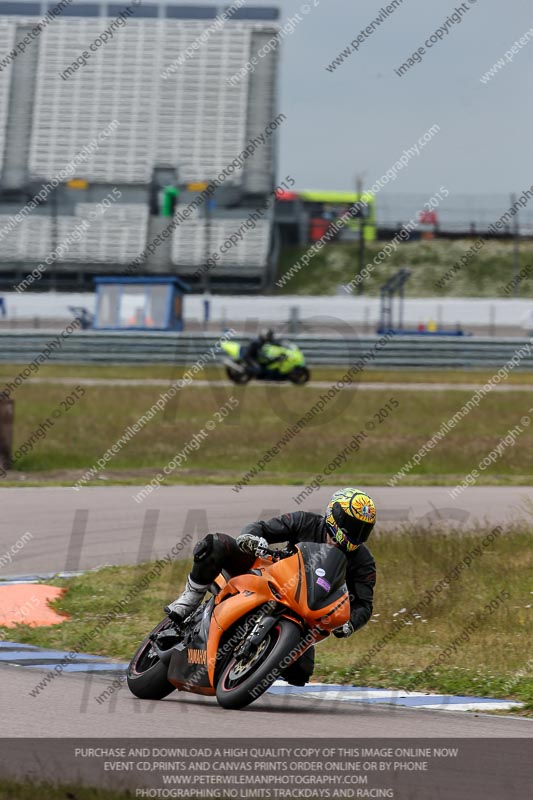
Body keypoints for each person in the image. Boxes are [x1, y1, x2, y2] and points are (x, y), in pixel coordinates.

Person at [165, 488, 377, 686]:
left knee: (300, 673)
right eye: (351, 525)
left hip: (306, 608)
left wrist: (349, 624)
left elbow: (364, 604)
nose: (356, 533)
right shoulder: (305, 521)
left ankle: (255, 663)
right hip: (273, 576)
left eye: (363, 529)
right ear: (334, 515)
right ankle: (190, 598)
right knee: (216, 544)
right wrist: (251, 538)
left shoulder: (363, 561)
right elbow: (263, 528)